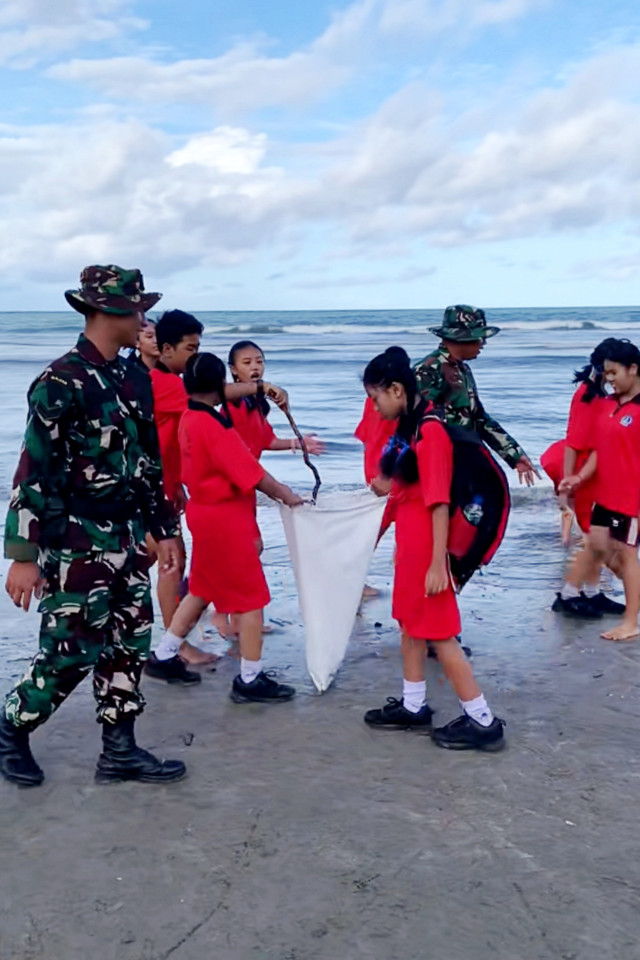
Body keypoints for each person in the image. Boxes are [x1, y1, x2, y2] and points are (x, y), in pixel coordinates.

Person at [0, 265, 186, 788]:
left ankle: (119, 751)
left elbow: (148, 462)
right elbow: (34, 470)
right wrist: (23, 555)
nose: (144, 319)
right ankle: (10, 730)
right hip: (77, 542)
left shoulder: (132, 378)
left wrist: (164, 527)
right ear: (109, 312)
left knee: (130, 643)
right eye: (138, 309)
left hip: (127, 538)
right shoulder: (60, 381)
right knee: (70, 652)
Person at [362, 348, 505, 751]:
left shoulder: (432, 431)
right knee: (409, 624)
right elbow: (396, 487)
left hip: (427, 545)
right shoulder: (408, 429)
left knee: (440, 635)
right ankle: (413, 706)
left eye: (376, 398)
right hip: (410, 543)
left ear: (396, 389)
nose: (374, 407)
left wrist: (438, 563)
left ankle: (482, 721)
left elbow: (440, 501)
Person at [150, 353, 303, 703]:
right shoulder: (214, 426)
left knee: (202, 587)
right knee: (251, 598)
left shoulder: (189, 417)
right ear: (220, 387)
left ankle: (163, 656)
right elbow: (252, 473)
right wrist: (287, 496)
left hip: (202, 513)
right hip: (224, 518)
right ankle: (250, 679)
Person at [560, 339, 640, 642]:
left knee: (628, 555)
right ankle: (574, 593)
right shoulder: (607, 405)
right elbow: (598, 451)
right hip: (603, 496)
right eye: (605, 373)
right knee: (597, 547)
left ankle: (631, 621)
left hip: (630, 498)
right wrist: (578, 479)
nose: (608, 379)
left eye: (614, 372)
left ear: (633, 369)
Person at [543, 339, 625, 619]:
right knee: (596, 539)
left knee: (600, 540)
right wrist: (566, 484)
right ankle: (568, 594)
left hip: (602, 472)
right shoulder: (586, 396)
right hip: (585, 475)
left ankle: (590, 593)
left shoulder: (604, 395)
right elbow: (573, 443)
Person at [414, 305, 538, 485]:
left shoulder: (462, 370)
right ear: (462, 337)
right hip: (439, 466)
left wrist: (514, 455)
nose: (483, 344)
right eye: (479, 338)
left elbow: (479, 418)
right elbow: (415, 424)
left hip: (465, 460)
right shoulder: (426, 370)